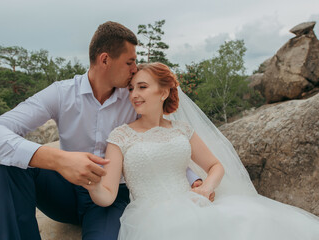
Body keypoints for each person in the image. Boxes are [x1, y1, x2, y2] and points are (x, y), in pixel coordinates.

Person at [0, 22, 202, 240]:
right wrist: (59, 160)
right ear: (105, 60)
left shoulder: (135, 97)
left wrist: (193, 178)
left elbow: (164, 137)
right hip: (63, 191)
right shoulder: (62, 94)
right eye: (130, 62)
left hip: (111, 197)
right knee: (10, 161)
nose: (135, 69)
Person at [86, 62, 319, 240]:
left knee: (253, 223)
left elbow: (215, 166)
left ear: (163, 92)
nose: (134, 94)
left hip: (195, 203)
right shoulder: (120, 137)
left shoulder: (182, 130)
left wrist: (206, 189)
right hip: (151, 218)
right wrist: (92, 184)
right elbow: (107, 195)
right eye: (131, 88)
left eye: (143, 87)